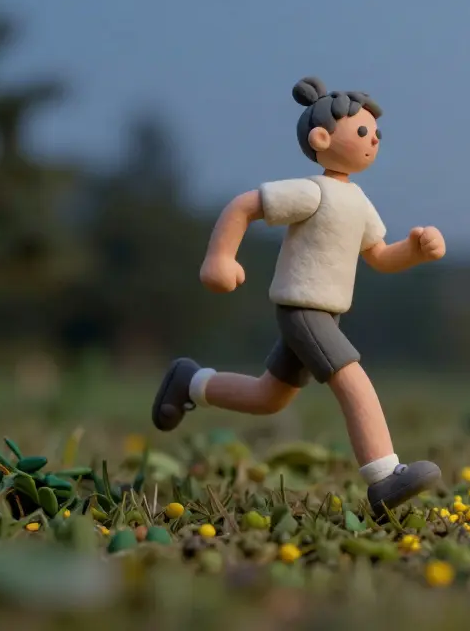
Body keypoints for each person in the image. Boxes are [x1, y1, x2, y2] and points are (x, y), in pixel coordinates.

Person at [151, 76, 444, 520]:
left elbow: (381, 256)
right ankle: (384, 476)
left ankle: (190, 383)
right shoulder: (312, 192)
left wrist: (415, 251)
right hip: (303, 310)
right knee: (352, 379)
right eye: (363, 131)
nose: (374, 140)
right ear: (322, 139)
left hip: (327, 313)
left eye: (375, 133)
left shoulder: (358, 201)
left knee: (269, 396)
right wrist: (220, 257)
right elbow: (245, 206)